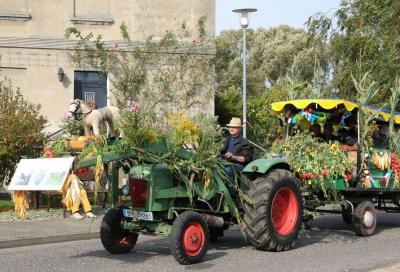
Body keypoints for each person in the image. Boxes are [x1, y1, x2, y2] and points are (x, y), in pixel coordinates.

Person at [220, 117, 254, 181]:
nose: (231, 129)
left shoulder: (245, 142)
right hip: (225, 163)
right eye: (230, 127)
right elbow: (220, 152)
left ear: (239, 129)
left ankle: (230, 191)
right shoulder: (226, 140)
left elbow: (245, 159)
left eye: (234, 127)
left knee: (227, 171)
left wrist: (233, 157)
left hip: (239, 166)